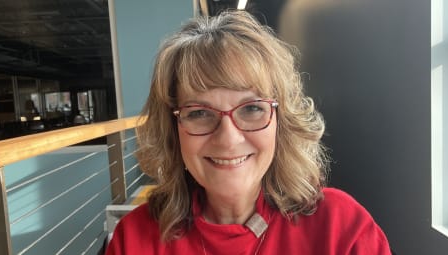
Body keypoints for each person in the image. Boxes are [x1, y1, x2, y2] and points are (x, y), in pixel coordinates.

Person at [106, 11, 391, 255]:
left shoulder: (341, 229)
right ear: (173, 130)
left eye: (252, 109)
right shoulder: (133, 241)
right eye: (200, 113)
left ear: (282, 122)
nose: (228, 139)